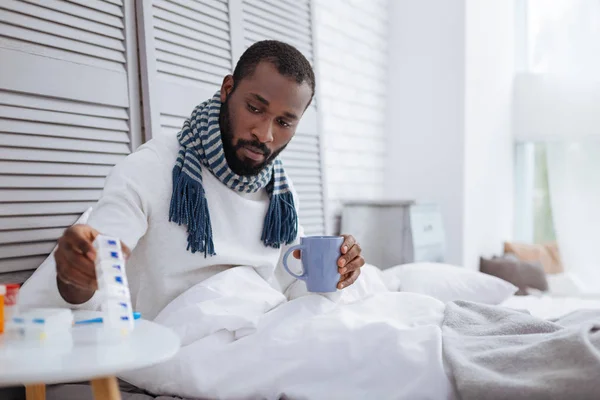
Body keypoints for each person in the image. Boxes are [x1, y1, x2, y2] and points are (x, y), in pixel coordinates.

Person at [52, 40, 365, 322]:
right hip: (182, 342)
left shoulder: (280, 191)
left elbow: (295, 288)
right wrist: (74, 276)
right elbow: (91, 284)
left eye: (284, 122)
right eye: (255, 108)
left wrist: (338, 273)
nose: (265, 134)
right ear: (228, 89)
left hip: (262, 330)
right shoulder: (151, 168)